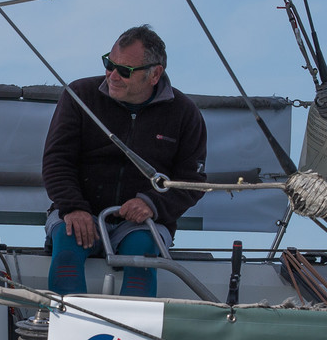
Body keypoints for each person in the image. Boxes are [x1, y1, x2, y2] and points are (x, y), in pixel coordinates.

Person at [41, 25, 206, 296]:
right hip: (80, 211)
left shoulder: (185, 114)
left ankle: (131, 337)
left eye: (124, 71)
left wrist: (151, 203)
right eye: (109, 64)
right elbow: (56, 160)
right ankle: (69, 330)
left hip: (142, 222)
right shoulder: (80, 96)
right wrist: (73, 207)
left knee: (141, 260)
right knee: (66, 259)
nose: (112, 76)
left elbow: (191, 180)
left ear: (155, 74)